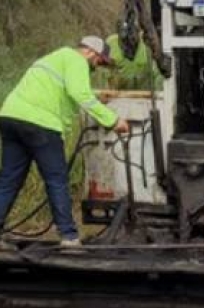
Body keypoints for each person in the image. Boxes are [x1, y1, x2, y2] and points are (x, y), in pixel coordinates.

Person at [0, 36, 129, 249]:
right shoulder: (77, 60)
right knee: (56, 180)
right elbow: (80, 94)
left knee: (8, 180)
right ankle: (69, 236)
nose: (96, 68)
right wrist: (113, 120)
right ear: (90, 52)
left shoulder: (54, 58)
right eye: (98, 62)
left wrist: (97, 101)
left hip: (11, 117)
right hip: (41, 125)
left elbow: (61, 93)